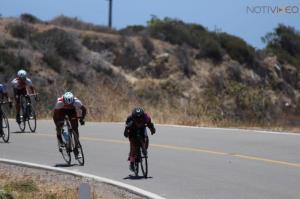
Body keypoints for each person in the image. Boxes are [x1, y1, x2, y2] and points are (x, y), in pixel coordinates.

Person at [53, 92, 86, 158]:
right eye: (66, 105)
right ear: (64, 101)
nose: (68, 106)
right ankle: (60, 140)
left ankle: (76, 149)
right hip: (61, 111)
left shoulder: (77, 102)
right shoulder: (59, 103)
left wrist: (81, 119)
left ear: (73, 101)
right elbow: (54, 116)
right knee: (60, 125)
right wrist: (57, 125)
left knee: (75, 128)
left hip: (72, 112)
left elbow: (84, 110)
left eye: (70, 105)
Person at [124, 107, 156, 172]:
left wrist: (152, 130)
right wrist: (126, 132)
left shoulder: (146, 117)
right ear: (133, 118)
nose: (139, 122)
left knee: (146, 138)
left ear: (143, 117)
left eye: (140, 119)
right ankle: (132, 162)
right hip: (133, 131)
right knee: (133, 146)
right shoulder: (130, 119)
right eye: (137, 120)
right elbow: (126, 130)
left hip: (142, 130)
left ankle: (144, 148)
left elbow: (150, 124)